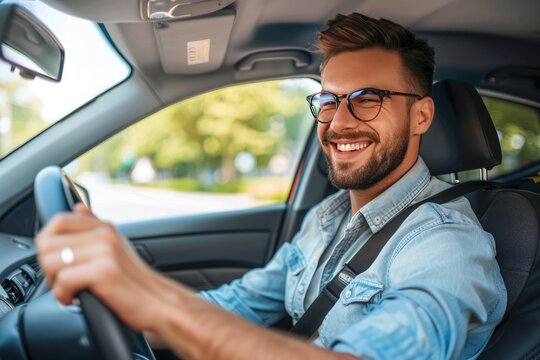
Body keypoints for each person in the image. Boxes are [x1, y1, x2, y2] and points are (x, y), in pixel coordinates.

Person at [36, 13, 506, 360]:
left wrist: (161, 305)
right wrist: (113, 312)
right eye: (328, 100)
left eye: (368, 99)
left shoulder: (449, 245)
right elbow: (239, 303)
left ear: (421, 115)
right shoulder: (328, 218)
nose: (338, 122)